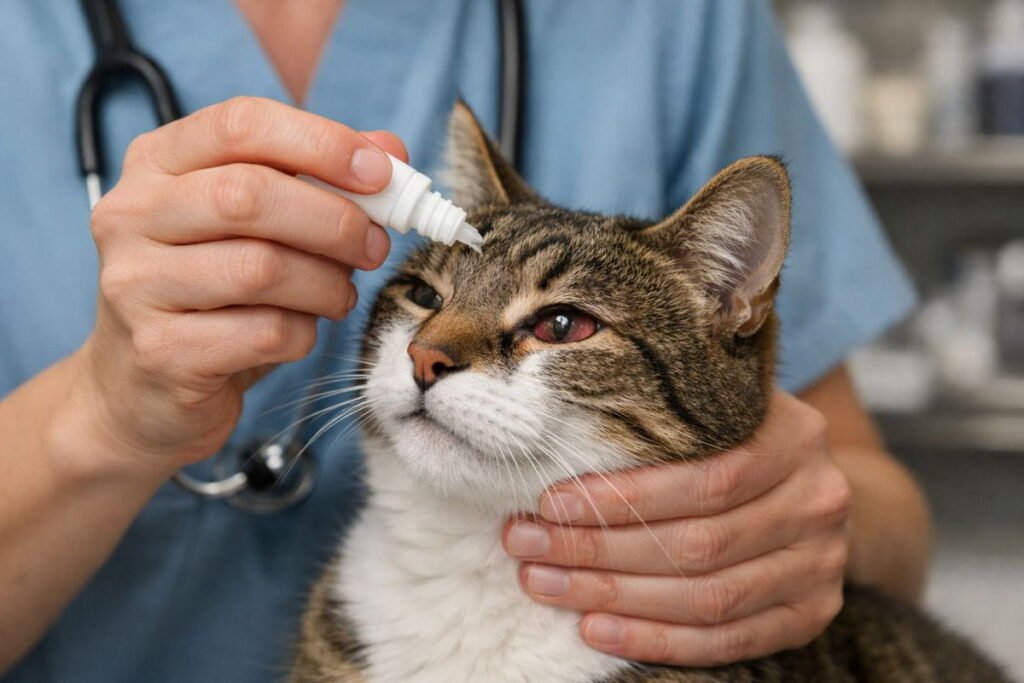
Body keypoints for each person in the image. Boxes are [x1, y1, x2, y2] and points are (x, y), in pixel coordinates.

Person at [0, 1, 931, 680]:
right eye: (421, 297)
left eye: (558, 322)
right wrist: (104, 418)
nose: (431, 350)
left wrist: (814, 529)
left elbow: (879, 509)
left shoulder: (677, 22)